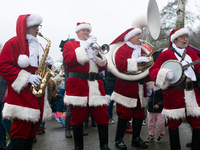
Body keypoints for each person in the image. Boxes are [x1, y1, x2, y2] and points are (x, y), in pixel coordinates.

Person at [0, 14, 52, 149]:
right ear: (26, 27)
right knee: (20, 130)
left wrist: (48, 65)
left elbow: (40, 68)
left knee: (32, 130)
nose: (37, 29)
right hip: (22, 94)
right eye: (35, 26)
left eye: (38, 26)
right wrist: (26, 77)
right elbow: (3, 65)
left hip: (37, 93)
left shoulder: (39, 45)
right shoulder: (13, 42)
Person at [149, 28, 200, 150]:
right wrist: (164, 73)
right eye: (182, 37)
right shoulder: (166, 54)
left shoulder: (192, 54)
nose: (185, 39)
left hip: (192, 93)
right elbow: (153, 71)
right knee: (173, 124)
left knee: (197, 122)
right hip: (174, 93)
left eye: (186, 37)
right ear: (175, 40)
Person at [62, 22, 110, 150]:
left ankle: (104, 145)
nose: (86, 33)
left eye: (87, 31)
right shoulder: (69, 45)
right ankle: (78, 146)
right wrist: (84, 48)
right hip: (78, 84)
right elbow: (69, 60)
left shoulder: (95, 45)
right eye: (83, 30)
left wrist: (97, 54)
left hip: (96, 85)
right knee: (77, 117)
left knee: (102, 116)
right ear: (77, 32)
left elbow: (103, 66)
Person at [110, 28, 153, 149]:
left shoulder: (143, 50)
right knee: (124, 114)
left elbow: (147, 69)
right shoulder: (122, 49)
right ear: (130, 37)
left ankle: (136, 138)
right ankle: (119, 140)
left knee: (139, 114)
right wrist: (136, 61)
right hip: (126, 87)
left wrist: (149, 85)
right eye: (137, 35)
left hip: (140, 86)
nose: (140, 37)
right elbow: (120, 65)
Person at [0, 76, 12, 150]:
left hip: (5, 100)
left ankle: (14, 142)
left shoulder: (4, 70)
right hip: (1, 99)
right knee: (1, 122)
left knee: (5, 121)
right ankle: (1, 143)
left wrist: (6, 97)